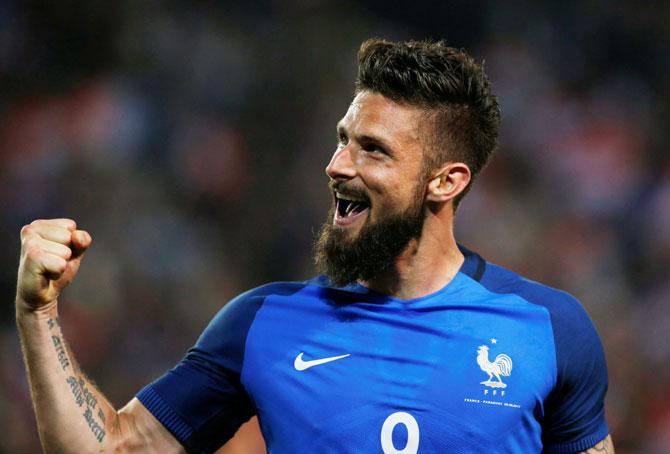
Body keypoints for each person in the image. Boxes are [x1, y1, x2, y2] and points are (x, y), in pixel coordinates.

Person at [15, 39, 614, 453]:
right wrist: (37, 315)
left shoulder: (548, 330)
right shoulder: (262, 324)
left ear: (446, 180)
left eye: (372, 149)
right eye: (341, 140)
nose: (335, 165)